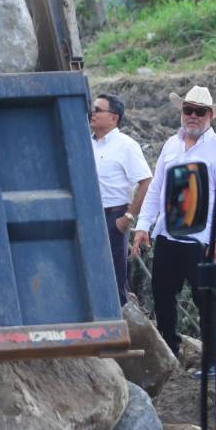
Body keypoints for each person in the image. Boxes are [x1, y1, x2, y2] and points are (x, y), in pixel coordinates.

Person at [132, 85, 216, 377]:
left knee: (207, 301)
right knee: (163, 294)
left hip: (201, 240)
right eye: (188, 110)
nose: (192, 116)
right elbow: (156, 188)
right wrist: (144, 225)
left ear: (210, 115)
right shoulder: (171, 144)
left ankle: (214, 362)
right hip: (168, 234)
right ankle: (169, 352)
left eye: (199, 111)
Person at [90, 93, 152, 306]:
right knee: (90, 275)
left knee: (114, 277)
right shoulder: (84, 144)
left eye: (98, 110)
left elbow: (146, 181)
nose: (92, 113)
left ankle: (122, 327)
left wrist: (127, 217)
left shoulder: (126, 145)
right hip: (88, 217)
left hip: (113, 218)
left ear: (114, 118)